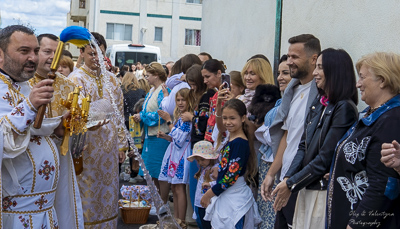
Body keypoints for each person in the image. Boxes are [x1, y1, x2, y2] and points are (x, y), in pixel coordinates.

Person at [0, 25, 84, 228]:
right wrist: (29, 107)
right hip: (15, 215)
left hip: (46, 211)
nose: (33, 58)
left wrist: (56, 130)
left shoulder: (27, 86)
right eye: (24, 51)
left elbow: (31, 131)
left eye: (35, 51)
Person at [272, 48, 359, 228]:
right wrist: (288, 178)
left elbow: (325, 158)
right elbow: (303, 147)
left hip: (322, 192)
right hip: (306, 187)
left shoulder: (344, 108)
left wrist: (291, 183)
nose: (314, 73)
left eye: (320, 67)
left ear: (334, 71)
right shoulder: (318, 104)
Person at [327, 52, 400, 229]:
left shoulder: (391, 120)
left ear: (382, 80)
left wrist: (358, 224)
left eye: (362, 77)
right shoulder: (371, 114)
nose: (358, 84)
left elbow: (384, 185)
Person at [68, 32, 128, 228]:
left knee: (108, 196)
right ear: (82, 52)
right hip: (87, 150)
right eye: (92, 53)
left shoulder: (112, 80)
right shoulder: (76, 79)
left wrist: (121, 145)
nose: (96, 58)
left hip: (109, 152)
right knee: (87, 194)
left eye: (100, 54)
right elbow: (74, 118)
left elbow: (119, 114)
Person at [261, 34, 320, 229]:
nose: (289, 62)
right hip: (285, 179)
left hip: (302, 181)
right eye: (288, 56)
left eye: (295, 57)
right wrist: (271, 174)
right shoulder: (292, 92)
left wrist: (291, 180)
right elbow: (287, 136)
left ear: (314, 59)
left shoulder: (322, 96)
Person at [201, 99, 261, 229]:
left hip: (235, 198)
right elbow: (228, 167)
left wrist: (210, 193)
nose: (228, 122)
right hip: (228, 194)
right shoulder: (232, 139)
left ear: (243, 118)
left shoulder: (239, 143)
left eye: (232, 118)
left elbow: (231, 177)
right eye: (225, 118)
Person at [255, 54, 290, 229]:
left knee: (274, 215)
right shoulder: (280, 101)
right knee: (265, 212)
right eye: (279, 73)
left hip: (278, 166)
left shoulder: (293, 104)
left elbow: (286, 138)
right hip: (266, 162)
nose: (280, 77)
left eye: (286, 72)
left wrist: (271, 173)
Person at [185, 64, 217, 226]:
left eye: (206, 77)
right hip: (202, 145)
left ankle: (201, 220)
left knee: (200, 185)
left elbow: (203, 123)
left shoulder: (208, 96)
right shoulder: (207, 95)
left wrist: (192, 117)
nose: (204, 81)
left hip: (202, 146)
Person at [158, 88, 195, 226]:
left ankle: (181, 222)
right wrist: (166, 136)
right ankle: (176, 220)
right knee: (174, 188)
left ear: (189, 100)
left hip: (182, 155)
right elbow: (175, 138)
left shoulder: (187, 117)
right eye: (178, 100)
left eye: (183, 100)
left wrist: (168, 121)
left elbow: (180, 139)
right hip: (175, 153)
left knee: (179, 188)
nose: (180, 103)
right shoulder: (180, 116)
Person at [132, 62, 171, 195]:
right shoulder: (152, 91)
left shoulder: (164, 90)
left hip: (160, 137)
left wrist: (142, 117)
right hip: (150, 136)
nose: (146, 78)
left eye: (148, 75)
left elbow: (161, 113)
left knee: (160, 172)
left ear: (156, 75)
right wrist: (141, 116)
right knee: (151, 172)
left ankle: (163, 202)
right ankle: (156, 200)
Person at [28, 34, 75, 118]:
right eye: (47, 52)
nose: (53, 57)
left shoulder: (69, 85)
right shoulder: (23, 82)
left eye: (57, 53)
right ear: (36, 52)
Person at [187, 140, 219, 229]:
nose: (200, 162)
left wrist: (210, 184)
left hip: (208, 203)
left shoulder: (214, 169)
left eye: (203, 159)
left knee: (207, 224)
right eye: (198, 160)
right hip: (199, 202)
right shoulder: (204, 169)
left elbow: (220, 183)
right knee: (201, 223)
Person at [121, 71, 146, 178]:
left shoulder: (121, 91)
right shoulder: (140, 91)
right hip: (136, 121)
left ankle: (120, 170)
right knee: (135, 147)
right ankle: (135, 172)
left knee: (122, 147)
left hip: (123, 121)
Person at [201, 59, 225, 143]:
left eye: (207, 77)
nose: (205, 81)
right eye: (203, 77)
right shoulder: (216, 95)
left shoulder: (228, 95)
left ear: (218, 73)